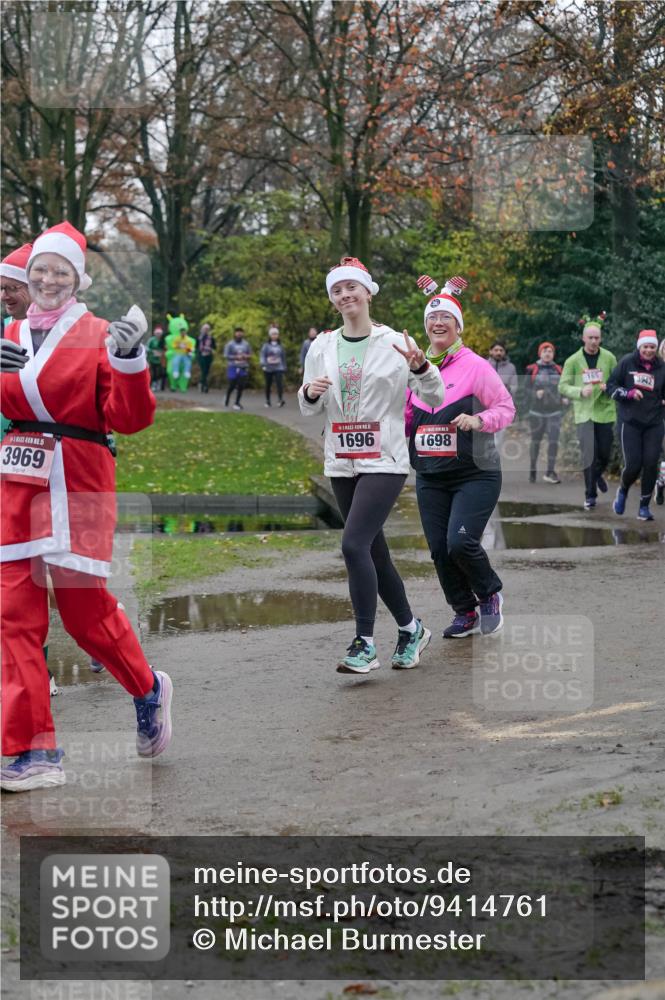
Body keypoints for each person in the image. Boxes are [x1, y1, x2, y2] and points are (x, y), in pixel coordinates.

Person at [0, 221, 173, 792]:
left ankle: (147, 687)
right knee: (13, 617)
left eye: (61, 272)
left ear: (77, 280)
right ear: (30, 276)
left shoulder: (99, 333)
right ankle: (33, 751)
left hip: (78, 482)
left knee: (83, 614)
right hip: (16, 483)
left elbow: (130, 419)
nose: (48, 279)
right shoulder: (9, 332)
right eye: (40, 270)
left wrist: (128, 360)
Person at [299, 257, 444, 674]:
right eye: (337, 291)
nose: (345, 296)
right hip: (342, 459)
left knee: (352, 544)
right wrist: (309, 392)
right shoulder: (323, 346)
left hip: (385, 459)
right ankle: (411, 628)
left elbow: (434, 396)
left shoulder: (394, 342)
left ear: (367, 292)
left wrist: (420, 366)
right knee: (373, 551)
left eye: (351, 288)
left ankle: (364, 642)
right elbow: (310, 408)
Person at [407, 274, 515, 639]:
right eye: (432, 319)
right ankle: (464, 612)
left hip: (475, 473)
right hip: (430, 474)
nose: (438, 324)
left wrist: (478, 419)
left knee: (461, 541)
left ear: (458, 326)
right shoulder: (416, 368)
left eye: (446, 319)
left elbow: (506, 408)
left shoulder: (476, 366)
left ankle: (489, 594)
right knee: (439, 550)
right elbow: (406, 420)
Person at [559, 315, 617, 510]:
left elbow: (617, 382)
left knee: (605, 453)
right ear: (583, 339)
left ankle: (598, 474)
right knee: (589, 455)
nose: (593, 341)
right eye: (590, 338)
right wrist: (579, 391)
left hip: (605, 412)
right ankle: (590, 494)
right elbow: (563, 386)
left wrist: (607, 386)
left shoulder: (609, 358)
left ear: (600, 339)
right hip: (584, 414)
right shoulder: (573, 361)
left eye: (597, 338)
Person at [606, 329, 665, 521]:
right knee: (633, 464)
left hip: (654, 422)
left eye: (652, 347)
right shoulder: (627, 362)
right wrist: (629, 393)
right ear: (640, 347)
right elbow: (611, 387)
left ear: (656, 348)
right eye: (646, 347)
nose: (649, 350)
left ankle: (644, 506)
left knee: (650, 463)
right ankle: (623, 491)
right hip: (630, 421)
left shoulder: (662, 367)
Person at [525, 342, 565, 484]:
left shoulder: (559, 369)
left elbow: (563, 387)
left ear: (553, 354)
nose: (547, 354)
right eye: (545, 351)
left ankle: (550, 472)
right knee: (536, 442)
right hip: (536, 413)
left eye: (550, 351)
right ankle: (532, 469)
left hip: (554, 412)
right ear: (540, 353)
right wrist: (535, 393)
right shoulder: (532, 369)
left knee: (553, 442)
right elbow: (525, 390)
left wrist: (565, 398)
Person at [224, 327, 252, 410]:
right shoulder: (230, 344)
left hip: (243, 366)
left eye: (241, 332)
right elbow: (226, 355)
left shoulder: (246, 344)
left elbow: (250, 354)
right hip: (233, 366)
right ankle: (227, 397)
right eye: (237, 332)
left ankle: (237, 402)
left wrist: (245, 356)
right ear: (234, 334)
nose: (239, 334)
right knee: (232, 383)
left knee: (241, 385)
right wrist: (235, 357)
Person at [260, 324, 287, 407]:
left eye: (276, 334)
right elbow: (262, 355)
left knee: (279, 384)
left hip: (278, 367)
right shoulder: (266, 345)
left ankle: (280, 399)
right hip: (268, 368)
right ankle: (267, 401)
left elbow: (283, 357)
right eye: (273, 334)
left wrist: (284, 366)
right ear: (270, 335)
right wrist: (263, 364)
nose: (275, 336)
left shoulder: (280, 346)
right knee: (268, 384)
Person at [196, 322, 216, 393]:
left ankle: (201, 383)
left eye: (207, 329)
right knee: (203, 370)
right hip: (201, 355)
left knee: (207, 371)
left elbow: (214, 347)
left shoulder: (211, 338)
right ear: (202, 329)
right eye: (205, 329)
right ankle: (205, 386)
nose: (206, 330)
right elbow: (196, 347)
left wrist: (212, 350)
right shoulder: (199, 338)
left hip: (209, 355)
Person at [146, 324, 166, 391]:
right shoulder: (151, 340)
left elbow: (166, 348)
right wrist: (152, 351)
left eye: (159, 333)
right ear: (155, 333)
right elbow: (146, 348)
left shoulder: (163, 340)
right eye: (157, 333)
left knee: (161, 372)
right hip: (153, 358)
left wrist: (162, 352)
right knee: (154, 372)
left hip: (161, 359)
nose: (158, 335)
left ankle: (159, 385)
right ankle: (153, 385)